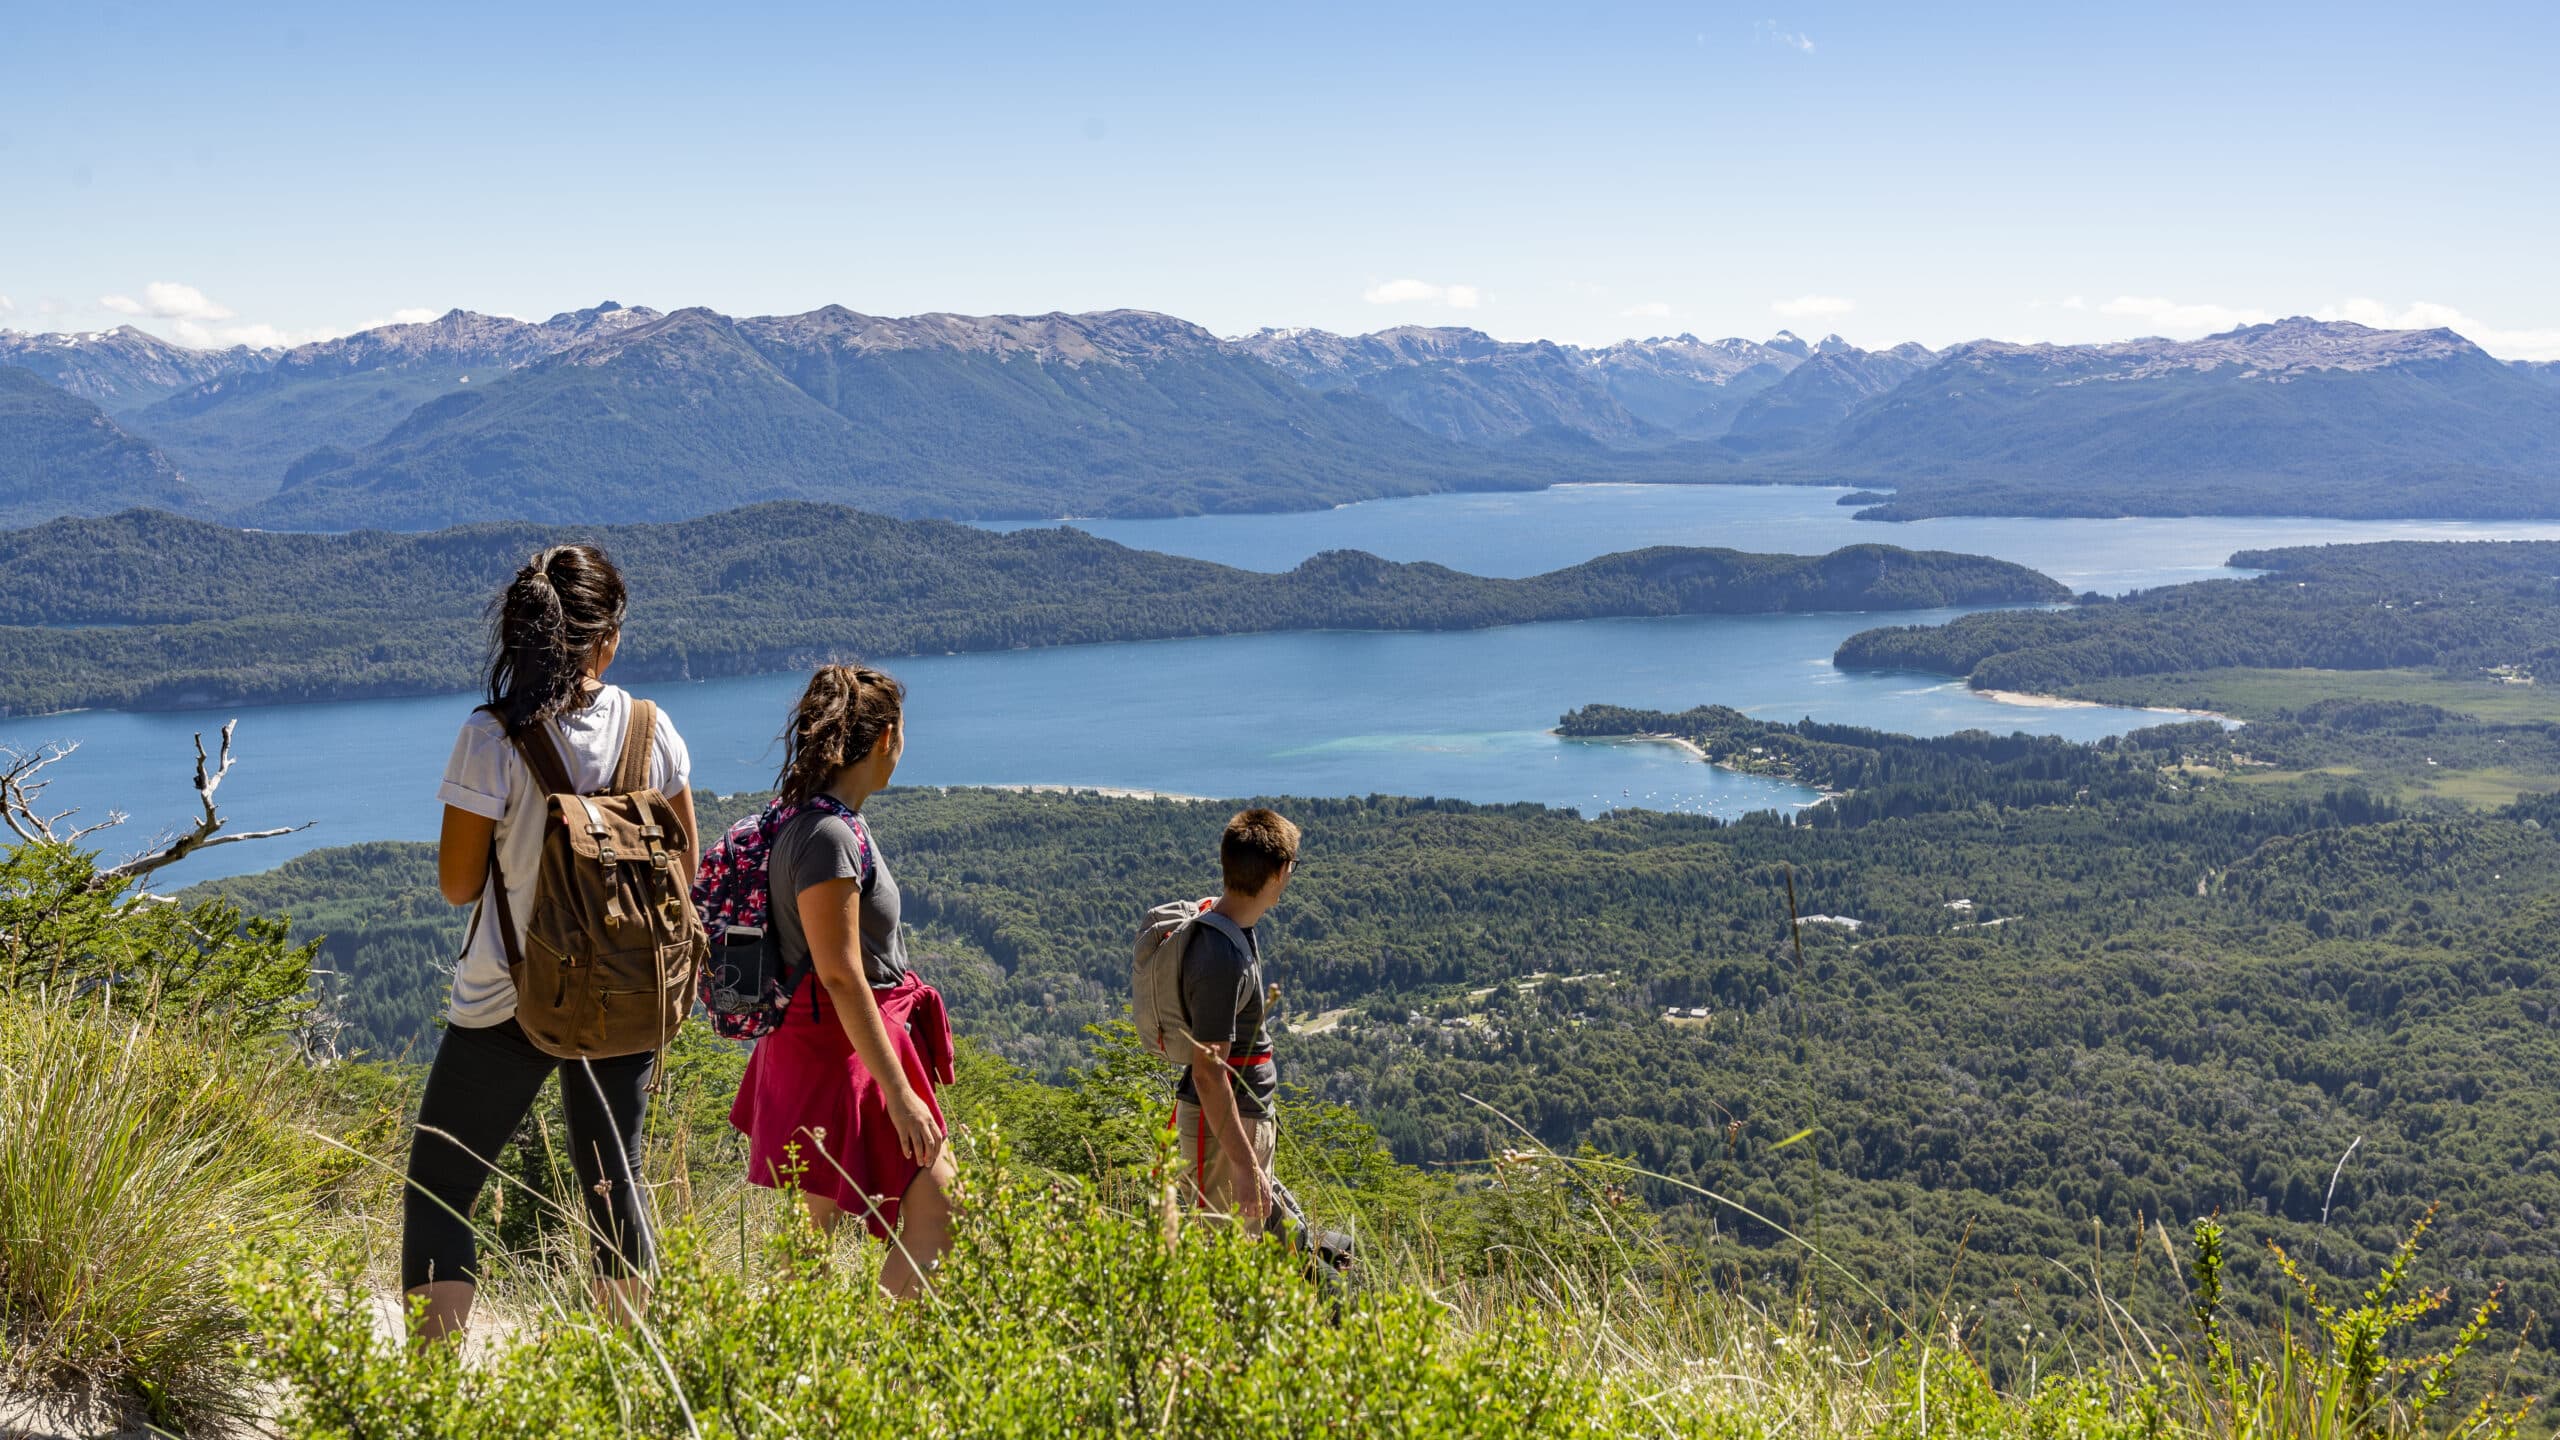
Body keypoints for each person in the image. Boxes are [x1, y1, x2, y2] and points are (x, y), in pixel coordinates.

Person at [402, 542, 698, 1342]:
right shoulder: (651, 727)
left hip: (509, 995)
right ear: (605, 638)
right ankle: (631, 1390)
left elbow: (458, 885)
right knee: (615, 1186)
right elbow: (685, 869)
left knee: (441, 1188)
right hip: (630, 991)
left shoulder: (493, 737)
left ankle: (428, 1402)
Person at [728, 663, 957, 1298]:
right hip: (840, 1050)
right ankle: (880, 1368)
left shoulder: (819, 820)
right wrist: (899, 1092)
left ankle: (810, 1369)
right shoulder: (828, 834)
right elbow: (839, 972)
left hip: (826, 1045)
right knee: (940, 1203)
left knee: (815, 1235)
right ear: (886, 738)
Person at [1175, 808, 1301, 1234]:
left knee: (1243, 1256)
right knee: (1222, 1259)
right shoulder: (1220, 958)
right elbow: (1209, 1074)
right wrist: (1246, 1167)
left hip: (1238, 1127)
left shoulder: (1234, 928)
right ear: (1280, 872)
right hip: (1224, 1135)